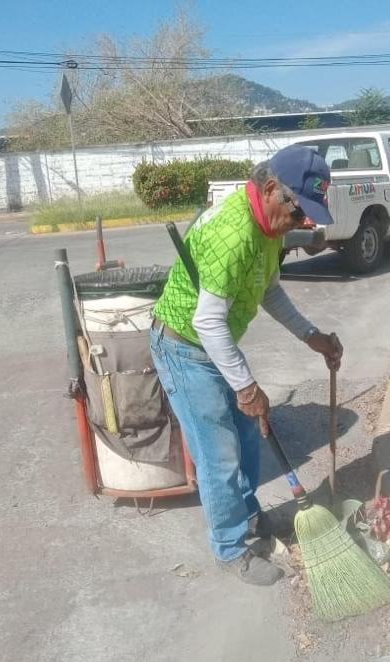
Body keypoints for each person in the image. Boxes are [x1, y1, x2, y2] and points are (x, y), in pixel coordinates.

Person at [151, 145, 343, 587]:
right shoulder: (233, 233)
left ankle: (247, 513)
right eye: (299, 214)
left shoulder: (268, 229)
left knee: (247, 439)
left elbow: (268, 291)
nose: (304, 224)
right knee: (218, 455)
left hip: (215, 344)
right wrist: (247, 387)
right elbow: (207, 321)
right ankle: (230, 547)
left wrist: (311, 336)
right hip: (183, 345)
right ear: (272, 190)